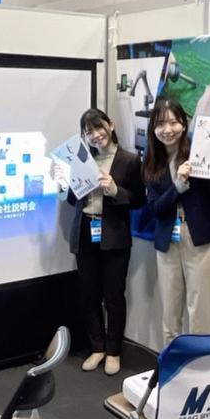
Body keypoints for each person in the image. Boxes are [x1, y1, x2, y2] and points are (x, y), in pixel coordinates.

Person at [52, 109, 144, 375]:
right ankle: (97, 348)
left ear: (110, 125)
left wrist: (114, 189)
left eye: (98, 127)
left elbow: (139, 200)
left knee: (113, 296)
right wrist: (63, 181)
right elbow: (73, 199)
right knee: (89, 294)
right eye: (89, 132)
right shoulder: (82, 160)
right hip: (85, 231)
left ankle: (113, 351)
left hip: (115, 235)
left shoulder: (129, 160)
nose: (95, 135)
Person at [143, 98, 210, 346]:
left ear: (184, 124)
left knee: (200, 314)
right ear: (153, 128)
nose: (167, 129)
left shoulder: (201, 150)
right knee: (170, 315)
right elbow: (155, 209)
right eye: (160, 124)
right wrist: (177, 186)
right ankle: (171, 364)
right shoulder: (151, 160)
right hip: (167, 243)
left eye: (173, 122)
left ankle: (198, 367)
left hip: (201, 239)